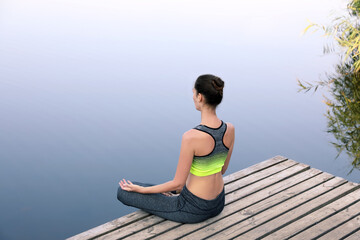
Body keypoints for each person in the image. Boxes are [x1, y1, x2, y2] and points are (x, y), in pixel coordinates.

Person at [117, 74, 235, 223]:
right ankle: (166, 192)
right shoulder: (229, 129)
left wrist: (142, 191)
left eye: (193, 93)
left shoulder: (191, 137)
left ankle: (152, 191)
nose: (192, 97)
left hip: (193, 209)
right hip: (218, 203)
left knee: (125, 191)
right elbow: (221, 169)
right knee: (157, 187)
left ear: (200, 97)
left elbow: (178, 183)